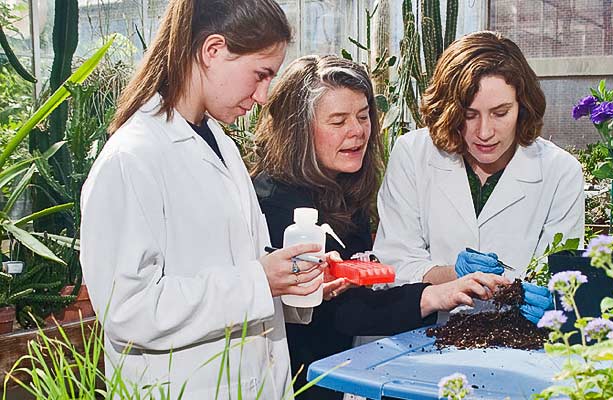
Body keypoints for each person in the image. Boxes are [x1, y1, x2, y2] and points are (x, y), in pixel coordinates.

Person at [80, 0, 324, 398]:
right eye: (260, 75)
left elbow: (238, 259)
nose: (263, 96)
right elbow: (127, 310)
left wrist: (295, 278)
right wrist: (258, 281)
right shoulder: (131, 157)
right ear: (213, 50)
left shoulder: (220, 145)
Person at [251, 55, 510, 400]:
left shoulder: (341, 189)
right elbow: (339, 310)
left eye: (363, 116)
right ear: (297, 130)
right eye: (338, 121)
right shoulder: (275, 203)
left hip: (337, 372)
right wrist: (436, 294)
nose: (357, 131)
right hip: (296, 382)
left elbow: (360, 284)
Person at [373, 31, 586, 324]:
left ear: (522, 107)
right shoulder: (413, 153)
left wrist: (553, 300)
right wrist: (454, 276)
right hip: (419, 331)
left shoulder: (560, 171)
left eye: (500, 113)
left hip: (515, 336)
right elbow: (393, 264)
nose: (484, 132)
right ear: (448, 110)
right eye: (469, 115)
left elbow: (561, 276)